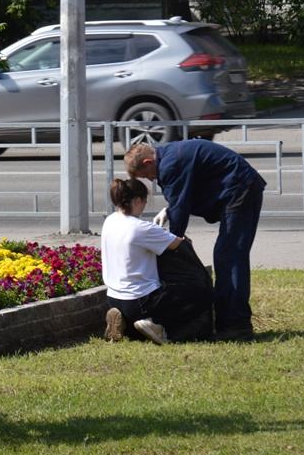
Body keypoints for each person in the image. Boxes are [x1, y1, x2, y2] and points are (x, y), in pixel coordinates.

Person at [124, 139, 266, 342]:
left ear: (148, 161)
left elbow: (180, 204)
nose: (151, 179)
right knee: (229, 255)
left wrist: (173, 242)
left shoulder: (170, 165)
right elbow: (184, 194)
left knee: (229, 257)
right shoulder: (169, 155)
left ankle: (237, 325)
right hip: (242, 186)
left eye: (147, 175)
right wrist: (170, 213)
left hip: (239, 190)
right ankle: (230, 321)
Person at [102, 178, 214, 344]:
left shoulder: (110, 221)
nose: (143, 208)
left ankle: (125, 323)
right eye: (144, 203)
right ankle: (159, 325)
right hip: (140, 300)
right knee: (201, 294)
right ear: (137, 201)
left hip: (113, 298)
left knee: (138, 320)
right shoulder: (141, 228)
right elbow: (178, 244)